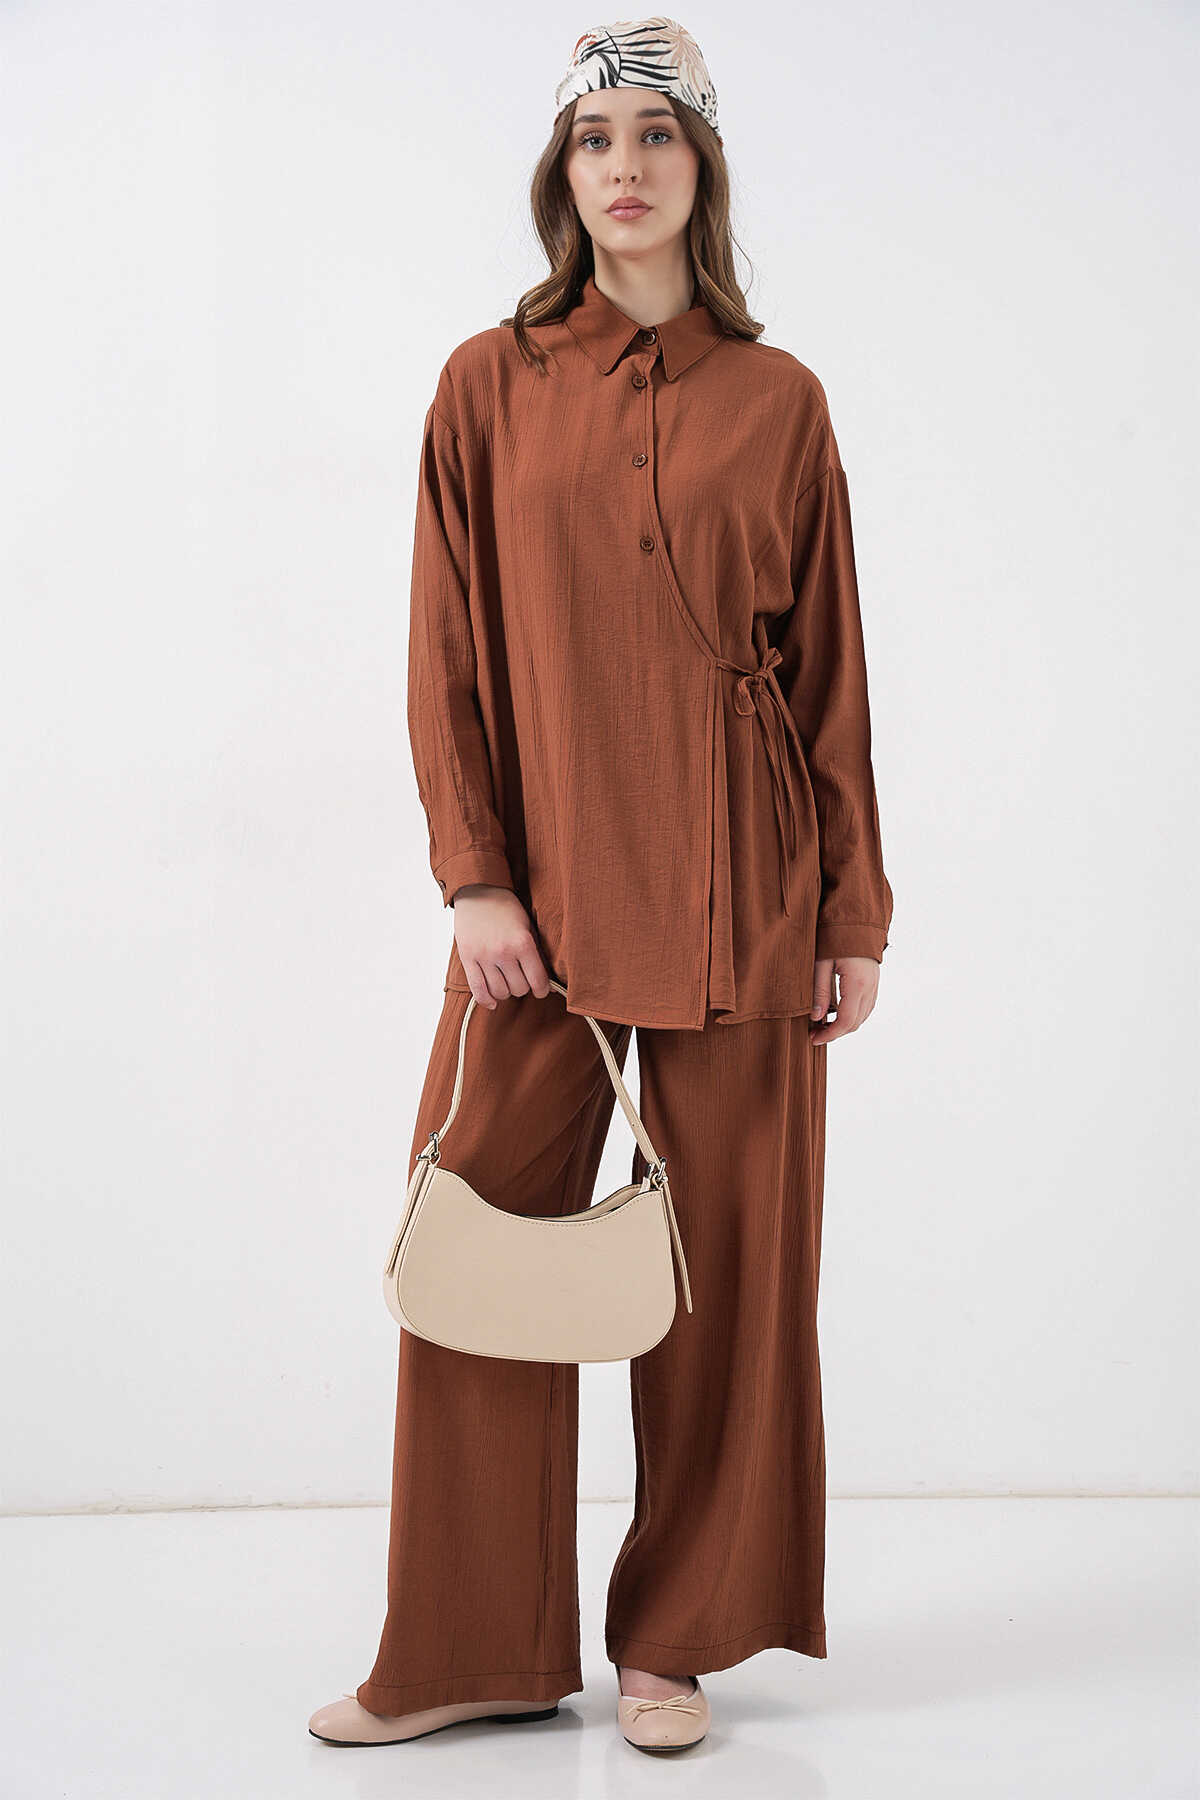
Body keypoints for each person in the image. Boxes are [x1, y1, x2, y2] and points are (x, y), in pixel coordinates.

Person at [309, 14, 894, 1756]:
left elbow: (831, 677)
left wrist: (851, 913)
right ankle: (468, 1645)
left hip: (744, 891)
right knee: (476, 1247)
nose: (623, 167)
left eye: (656, 135)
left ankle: (674, 1640)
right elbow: (446, 654)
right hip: (538, 911)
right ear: (559, 174)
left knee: (726, 1286)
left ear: (702, 168)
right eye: (592, 139)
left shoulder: (779, 401)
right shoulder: (486, 386)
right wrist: (475, 881)